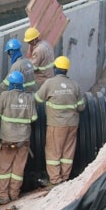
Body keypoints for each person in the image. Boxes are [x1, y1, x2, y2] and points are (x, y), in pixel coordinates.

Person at [34, 56, 85, 187]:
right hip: (72, 124)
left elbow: (37, 99)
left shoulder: (50, 83)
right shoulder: (75, 85)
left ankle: (55, 180)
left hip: (56, 124)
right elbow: (81, 107)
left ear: (55, 69)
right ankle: (65, 178)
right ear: (66, 70)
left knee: (53, 152)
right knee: (67, 152)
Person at [0, 71, 37, 208]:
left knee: (4, 169)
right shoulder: (29, 98)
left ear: (11, 84)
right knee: (18, 169)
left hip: (7, 141)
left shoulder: (5, 96)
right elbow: (34, 118)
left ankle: (4, 197)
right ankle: (14, 194)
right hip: (23, 142)